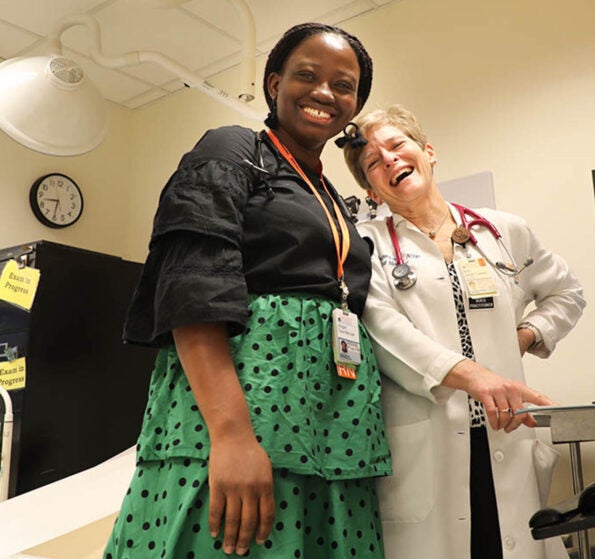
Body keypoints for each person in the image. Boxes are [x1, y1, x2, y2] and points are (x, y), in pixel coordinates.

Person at [103, 23, 391, 559]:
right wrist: (232, 436)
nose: (325, 92)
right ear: (274, 83)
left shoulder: (329, 192)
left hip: (335, 426)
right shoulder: (233, 149)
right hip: (246, 411)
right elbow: (192, 285)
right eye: (307, 75)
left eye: (343, 85)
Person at [341, 105, 585, 559]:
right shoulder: (365, 245)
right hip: (427, 442)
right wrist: (473, 375)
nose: (389, 160)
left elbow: (566, 293)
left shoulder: (503, 230)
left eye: (397, 146)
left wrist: (525, 336)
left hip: (504, 435)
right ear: (370, 187)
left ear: (428, 152)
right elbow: (382, 328)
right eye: (373, 162)